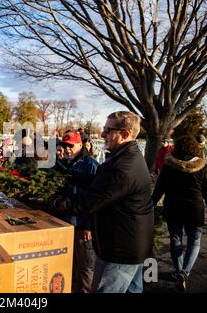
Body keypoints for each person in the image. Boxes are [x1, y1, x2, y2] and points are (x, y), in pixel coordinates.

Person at [72, 111, 154, 293]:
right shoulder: (124, 157)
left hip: (120, 251)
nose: (102, 135)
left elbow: (86, 203)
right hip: (133, 244)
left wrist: (49, 201)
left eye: (108, 130)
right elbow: (100, 181)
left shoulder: (123, 167)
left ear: (124, 134)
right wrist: (69, 177)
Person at [152, 135, 207, 292]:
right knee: (194, 242)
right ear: (195, 147)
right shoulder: (201, 166)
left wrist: (151, 205)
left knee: (175, 240)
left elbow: (159, 189)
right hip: (194, 210)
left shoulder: (169, 166)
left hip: (173, 208)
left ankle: (178, 271)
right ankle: (185, 272)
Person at [49, 130, 99, 293]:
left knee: (85, 267)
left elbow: (96, 200)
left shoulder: (91, 165)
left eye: (71, 145)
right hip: (67, 222)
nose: (67, 149)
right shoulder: (67, 163)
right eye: (65, 145)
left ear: (80, 145)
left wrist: (89, 226)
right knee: (70, 265)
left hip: (82, 226)